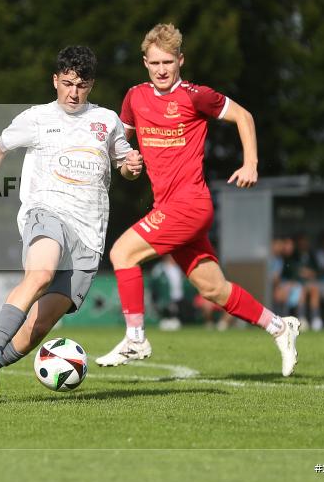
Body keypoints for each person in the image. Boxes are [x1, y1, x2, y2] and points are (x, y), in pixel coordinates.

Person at [96, 23, 300, 376]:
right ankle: (280, 327)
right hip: (168, 208)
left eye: (168, 62)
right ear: (145, 63)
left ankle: (135, 338)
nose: (162, 70)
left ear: (181, 61)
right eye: (155, 63)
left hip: (190, 204)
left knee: (122, 253)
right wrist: (128, 166)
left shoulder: (196, 96)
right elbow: (124, 158)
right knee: (214, 289)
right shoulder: (134, 98)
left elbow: (244, 116)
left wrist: (251, 163)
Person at [0, 45, 143, 398]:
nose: (74, 93)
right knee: (41, 275)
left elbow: (124, 164)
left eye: (82, 85)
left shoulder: (106, 120)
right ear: (55, 81)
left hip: (89, 234)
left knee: (42, 323)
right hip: (46, 212)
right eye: (67, 83)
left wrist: (131, 168)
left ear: (91, 85)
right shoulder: (37, 118)